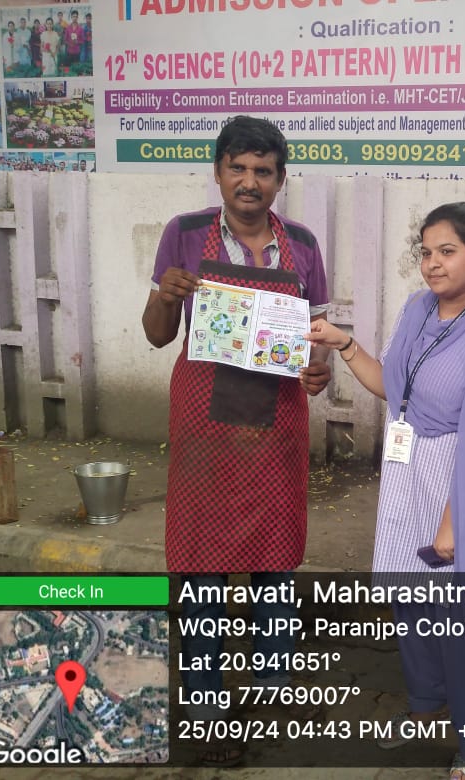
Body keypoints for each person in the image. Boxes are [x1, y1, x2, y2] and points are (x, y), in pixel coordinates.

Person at [141, 115, 331, 766]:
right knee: (203, 565)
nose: (250, 182)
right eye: (238, 167)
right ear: (219, 171)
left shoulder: (302, 244)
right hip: (204, 427)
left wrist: (320, 370)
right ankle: (204, 705)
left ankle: (271, 692)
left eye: (264, 170)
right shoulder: (185, 235)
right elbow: (157, 334)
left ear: (280, 179)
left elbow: (316, 339)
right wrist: (167, 297)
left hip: (277, 425)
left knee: (275, 563)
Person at [307, 202, 465, 780]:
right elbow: (389, 385)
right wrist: (343, 344)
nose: (432, 264)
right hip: (405, 470)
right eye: (425, 252)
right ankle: (428, 706)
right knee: (410, 599)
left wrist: (455, 519)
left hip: (457, 475)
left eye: (447, 252)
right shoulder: (419, 307)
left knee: (461, 616)